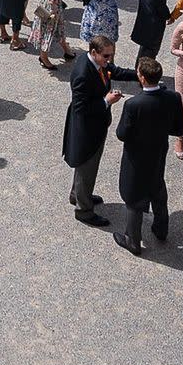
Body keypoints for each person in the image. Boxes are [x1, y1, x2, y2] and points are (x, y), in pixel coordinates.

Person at [112, 56, 183, 256]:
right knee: (157, 188)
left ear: (142, 78)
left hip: (136, 156)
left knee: (134, 197)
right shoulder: (173, 98)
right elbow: (178, 127)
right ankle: (161, 230)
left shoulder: (134, 104)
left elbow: (121, 134)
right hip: (158, 150)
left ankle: (132, 240)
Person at [62, 35, 136, 227]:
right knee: (87, 166)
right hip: (86, 130)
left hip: (97, 125)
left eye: (110, 56)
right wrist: (106, 101)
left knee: (86, 168)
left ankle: (77, 195)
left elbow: (115, 71)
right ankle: (83, 210)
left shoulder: (99, 63)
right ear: (93, 52)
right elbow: (82, 109)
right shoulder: (82, 74)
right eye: (106, 56)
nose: (109, 60)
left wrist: (141, 75)